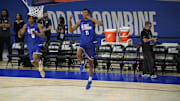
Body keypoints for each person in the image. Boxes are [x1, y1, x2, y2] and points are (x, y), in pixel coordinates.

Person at [69, 8, 103, 90]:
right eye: (83, 13)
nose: (84, 14)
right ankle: (82, 62)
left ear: (88, 14)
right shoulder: (80, 22)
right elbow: (71, 30)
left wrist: (90, 18)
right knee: (78, 54)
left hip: (90, 44)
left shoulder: (92, 21)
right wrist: (69, 21)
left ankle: (90, 80)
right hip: (83, 43)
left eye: (86, 13)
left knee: (91, 63)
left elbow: (100, 24)